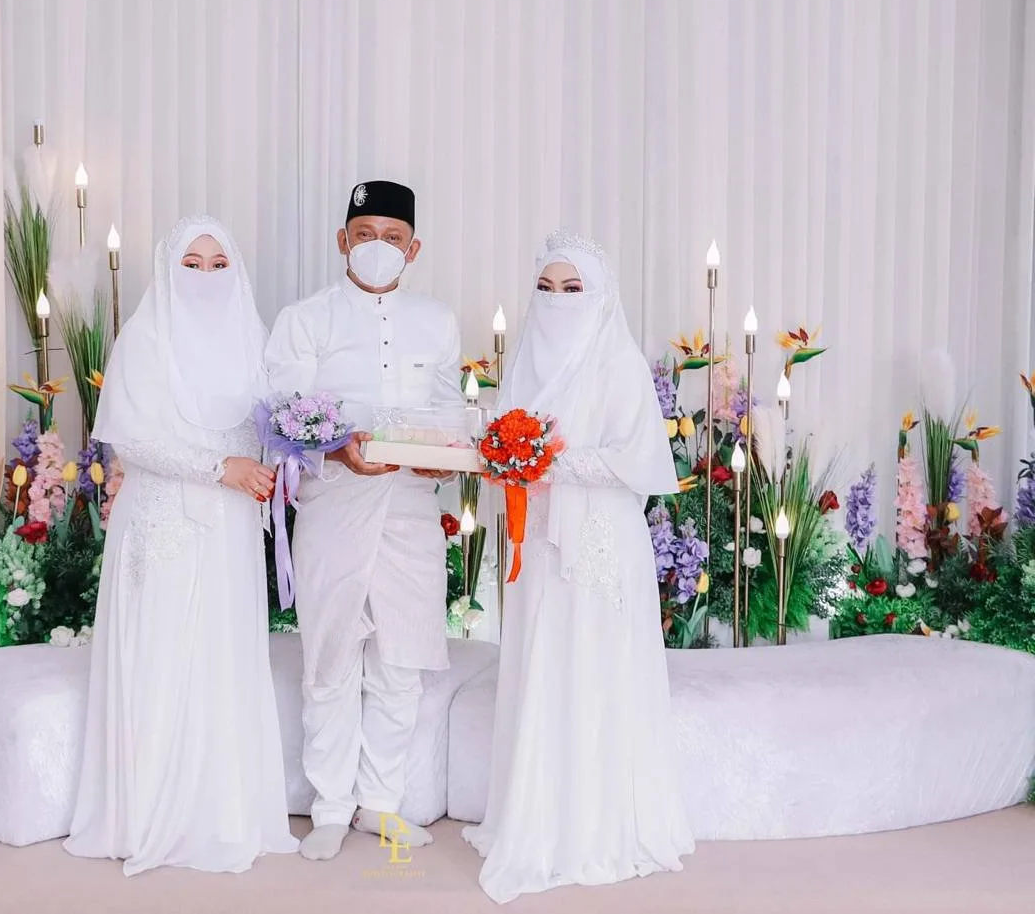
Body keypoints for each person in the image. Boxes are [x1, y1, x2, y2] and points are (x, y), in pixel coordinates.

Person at [463, 229, 694, 903]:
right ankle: (538, 818)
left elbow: (635, 462)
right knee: (543, 662)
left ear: (599, 296)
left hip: (600, 545)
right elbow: (506, 443)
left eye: (572, 288)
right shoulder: (525, 362)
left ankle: (596, 827)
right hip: (539, 542)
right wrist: (509, 453)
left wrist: (545, 457)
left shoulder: (618, 363)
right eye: (545, 287)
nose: (557, 300)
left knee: (595, 667)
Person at [65, 215, 299, 875]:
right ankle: (148, 814)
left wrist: (276, 464)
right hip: (163, 519)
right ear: (169, 271)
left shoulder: (254, 337)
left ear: (236, 272)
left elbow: (264, 428)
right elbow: (133, 441)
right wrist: (219, 468)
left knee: (222, 653)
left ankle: (219, 812)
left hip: (230, 523)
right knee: (162, 653)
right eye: (190, 265)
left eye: (218, 265)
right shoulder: (145, 338)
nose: (204, 276)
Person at [264, 180, 462, 861]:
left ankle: (379, 803)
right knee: (330, 656)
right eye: (366, 234)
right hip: (332, 503)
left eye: (393, 237)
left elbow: (446, 411)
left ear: (414, 247)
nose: (380, 246)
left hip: (410, 509)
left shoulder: (437, 320)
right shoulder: (305, 319)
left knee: (401, 660)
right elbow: (280, 413)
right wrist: (336, 449)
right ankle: (329, 807)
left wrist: (443, 462)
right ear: (342, 240)